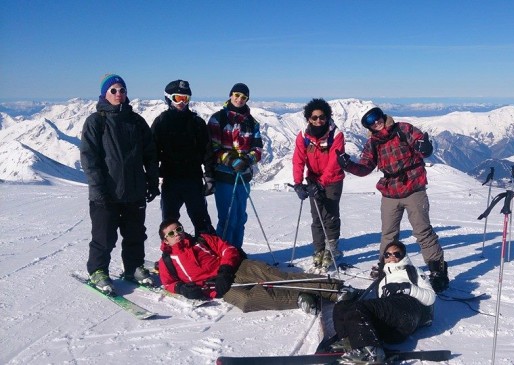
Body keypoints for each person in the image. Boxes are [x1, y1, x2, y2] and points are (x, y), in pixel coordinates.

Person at [336, 106, 450, 293]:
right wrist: (347, 165)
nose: (375, 122)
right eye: (369, 122)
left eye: (376, 117)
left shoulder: (403, 129)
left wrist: (425, 147)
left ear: (382, 115)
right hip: (390, 192)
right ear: (368, 127)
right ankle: (387, 267)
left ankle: (438, 272)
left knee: (422, 232)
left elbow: (421, 144)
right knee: (388, 234)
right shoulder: (373, 143)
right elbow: (365, 168)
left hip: (413, 188)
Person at [157, 218, 355, 313]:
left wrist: (225, 269)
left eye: (179, 229)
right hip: (220, 287)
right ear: (165, 240)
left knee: (276, 278)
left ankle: (336, 289)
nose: (178, 234)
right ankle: (302, 297)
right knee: (246, 302)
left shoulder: (202, 240)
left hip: (237, 268)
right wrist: (182, 288)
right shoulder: (167, 261)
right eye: (172, 233)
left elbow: (228, 249)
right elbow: (168, 283)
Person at [79, 73, 159, 294]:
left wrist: (152, 182)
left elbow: (150, 155)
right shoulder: (96, 121)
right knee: (104, 236)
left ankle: (133, 268)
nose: (118, 94)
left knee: (135, 234)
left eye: (122, 90)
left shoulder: (136, 121)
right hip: (106, 193)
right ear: (105, 94)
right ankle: (98, 270)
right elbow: (89, 158)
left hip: (134, 190)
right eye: (113, 90)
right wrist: (97, 190)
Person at [332, 241, 435, 363]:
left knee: (359, 308)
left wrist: (405, 287)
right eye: (387, 255)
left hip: (408, 309)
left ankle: (370, 352)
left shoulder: (412, 271)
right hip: (392, 330)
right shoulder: (382, 280)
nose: (391, 257)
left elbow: (431, 297)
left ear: (404, 256)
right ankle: (349, 340)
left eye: (396, 254)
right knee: (342, 306)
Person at [151, 80, 215, 236]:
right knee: (170, 223)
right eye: (177, 98)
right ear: (168, 98)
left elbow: (207, 151)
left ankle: (208, 253)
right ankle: (172, 256)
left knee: (201, 220)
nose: (182, 102)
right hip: (171, 181)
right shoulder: (161, 122)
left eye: (185, 99)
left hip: (193, 180)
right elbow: (151, 153)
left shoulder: (197, 123)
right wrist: (151, 179)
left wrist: (209, 175)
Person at [207, 83, 263, 252]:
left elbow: (258, 149)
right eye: (237, 95)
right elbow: (213, 148)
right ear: (231, 95)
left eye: (244, 97)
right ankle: (223, 253)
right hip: (224, 176)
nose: (239, 99)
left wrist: (247, 159)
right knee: (227, 218)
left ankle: (236, 251)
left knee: (240, 217)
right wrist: (231, 161)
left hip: (243, 176)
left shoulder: (252, 123)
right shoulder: (218, 119)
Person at [292, 98, 345, 274]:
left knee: (329, 215)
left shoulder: (335, 135)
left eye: (322, 117)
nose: (318, 121)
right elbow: (298, 159)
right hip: (313, 179)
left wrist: (322, 183)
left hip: (332, 180)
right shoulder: (303, 135)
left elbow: (334, 163)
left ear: (327, 117)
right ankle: (319, 250)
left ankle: (332, 250)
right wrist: (298, 183)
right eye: (314, 117)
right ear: (308, 118)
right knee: (317, 217)